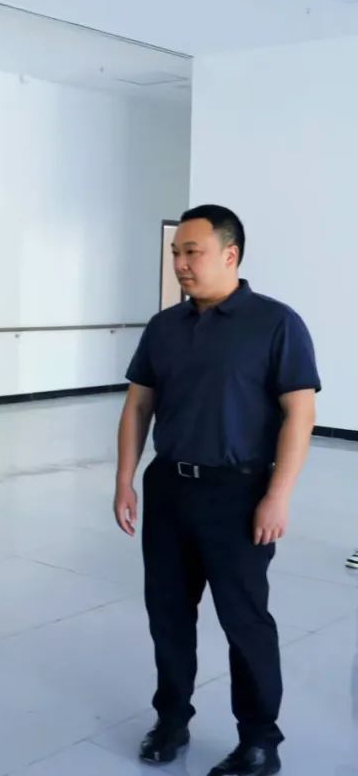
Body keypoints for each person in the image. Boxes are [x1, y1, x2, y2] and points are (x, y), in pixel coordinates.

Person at [113, 205, 319, 776]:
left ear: (231, 255)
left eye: (192, 252)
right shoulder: (164, 327)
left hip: (239, 494)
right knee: (168, 615)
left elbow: (300, 413)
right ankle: (171, 719)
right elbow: (138, 406)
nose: (181, 263)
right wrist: (125, 479)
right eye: (176, 253)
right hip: (170, 490)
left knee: (244, 621)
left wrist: (278, 495)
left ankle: (259, 740)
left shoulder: (276, 323)